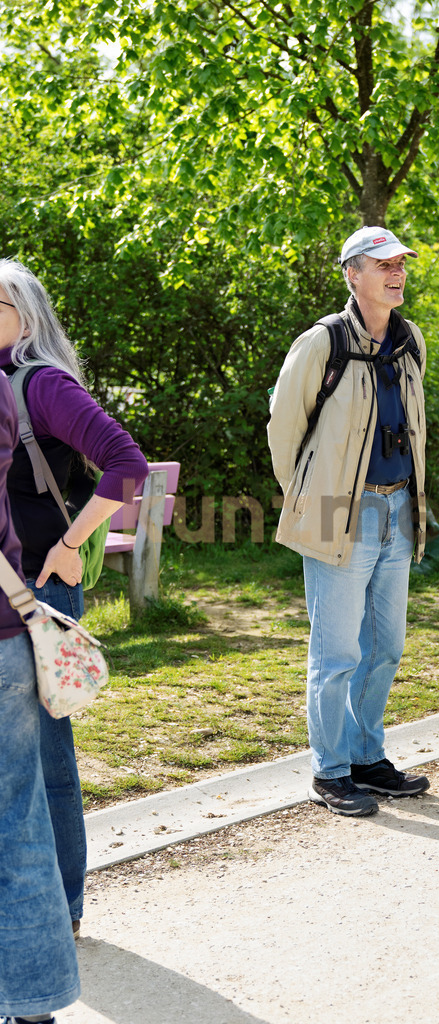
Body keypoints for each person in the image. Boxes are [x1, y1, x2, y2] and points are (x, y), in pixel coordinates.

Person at [0, 259, 148, 937]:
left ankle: (59, 909)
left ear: (24, 315)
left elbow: (128, 466)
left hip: (36, 592)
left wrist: (67, 547)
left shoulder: (40, 382)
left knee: (42, 754)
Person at [268, 226, 431, 816]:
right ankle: (330, 771)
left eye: (401, 264)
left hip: (397, 509)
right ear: (351, 274)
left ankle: (367, 757)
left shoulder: (409, 341)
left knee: (386, 646)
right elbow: (283, 429)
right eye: (382, 263)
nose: (397, 273)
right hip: (341, 511)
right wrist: (308, 501)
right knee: (336, 653)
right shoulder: (321, 344)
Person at [0, 368, 81, 1024]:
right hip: (7, 636)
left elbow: (124, 460)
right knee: (19, 825)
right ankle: (32, 1008)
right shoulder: (4, 388)